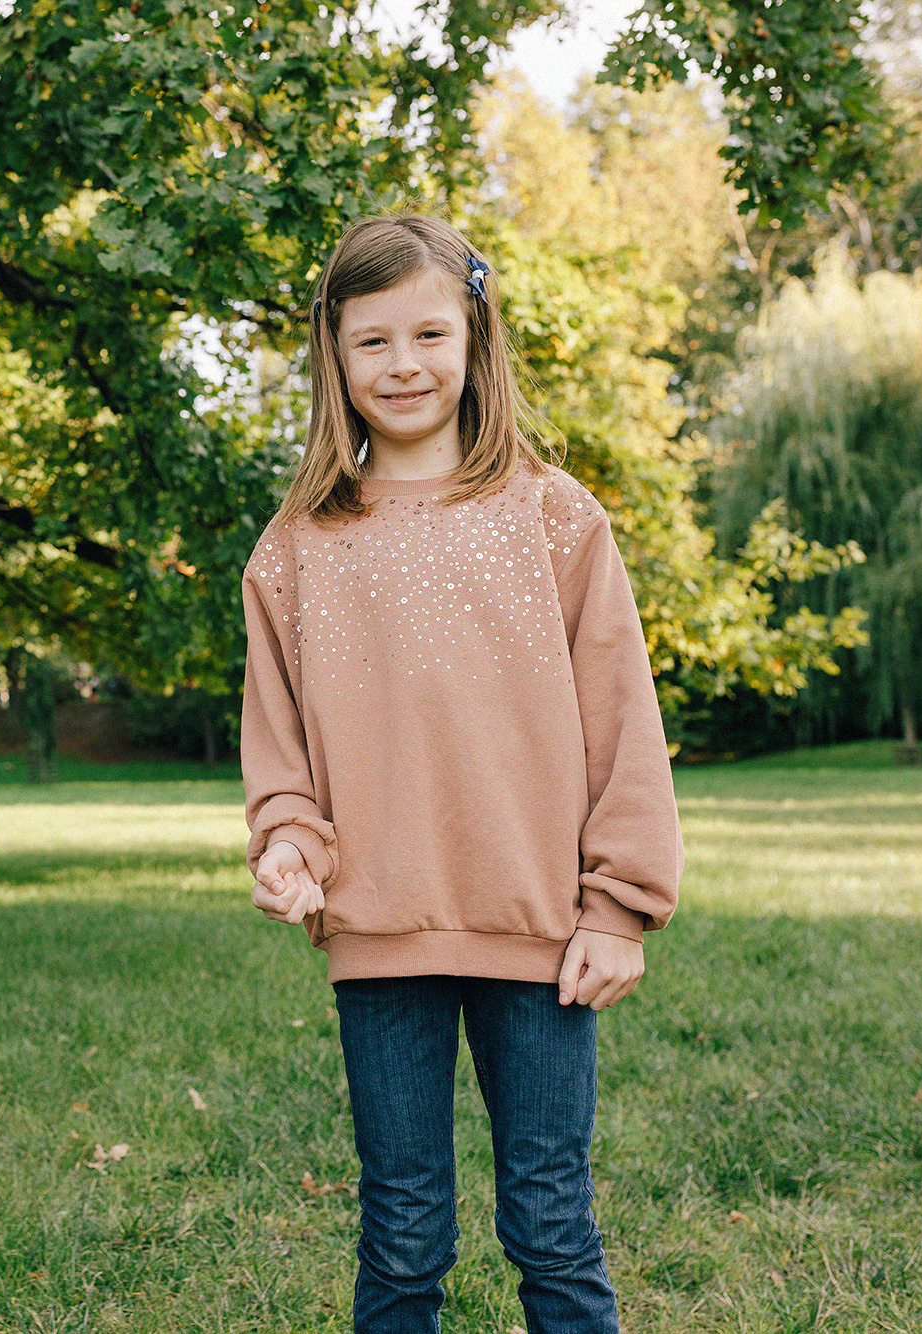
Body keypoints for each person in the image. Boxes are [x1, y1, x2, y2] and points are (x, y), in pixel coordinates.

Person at [240, 214, 682, 1334]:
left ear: (473, 336)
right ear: (331, 356)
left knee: (549, 1218)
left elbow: (620, 719)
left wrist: (618, 904)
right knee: (401, 1228)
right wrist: (287, 845)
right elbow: (279, 751)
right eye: (371, 341)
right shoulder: (294, 544)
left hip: (540, 932)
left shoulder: (554, 517)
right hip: (378, 930)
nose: (402, 365)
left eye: (428, 333)